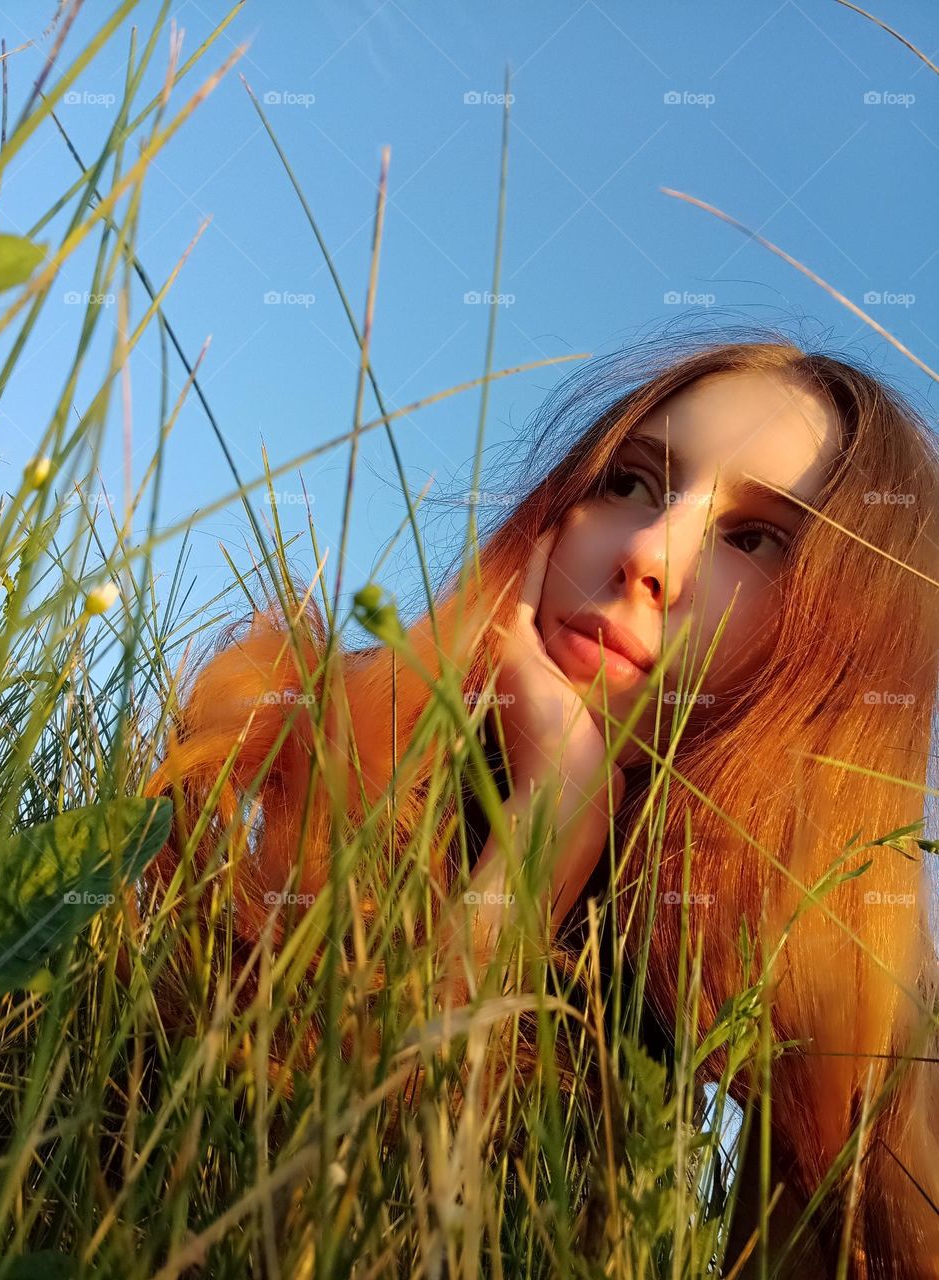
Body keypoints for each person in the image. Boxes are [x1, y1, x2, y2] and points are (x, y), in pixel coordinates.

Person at [143, 330, 939, 1278]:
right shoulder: (289, 738)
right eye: (632, 482)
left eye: (755, 539)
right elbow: (282, 1201)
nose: (648, 551)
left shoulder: (843, 978)